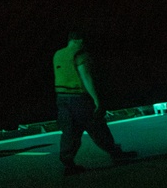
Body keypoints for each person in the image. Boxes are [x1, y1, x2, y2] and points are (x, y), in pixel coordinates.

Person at [53, 31, 137, 176]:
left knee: (70, 131)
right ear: (78, 40)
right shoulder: (80, 54)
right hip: (79, 98)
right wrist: (96, 100)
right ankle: (115, 153)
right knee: (97, 127)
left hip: (62, 98)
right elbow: (86, 76)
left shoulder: (58, 54)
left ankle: (68, 162)